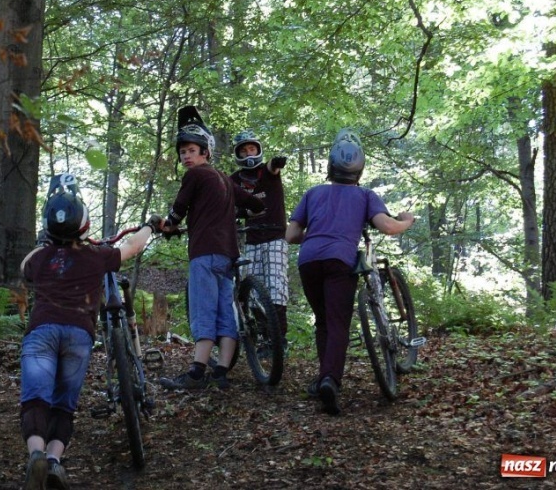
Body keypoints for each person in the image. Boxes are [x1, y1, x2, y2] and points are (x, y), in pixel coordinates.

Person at [19, 173, 160, 490]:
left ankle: (36, 455)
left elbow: (24, 266)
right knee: (64, 404)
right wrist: (150, 224)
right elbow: (134, 246)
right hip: (79, 336)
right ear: (83, 225)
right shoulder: (97, 257)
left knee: (35, 400)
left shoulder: (40, 258)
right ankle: (55, 461)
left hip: (41, 332)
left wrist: (44, 242)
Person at [285, 130, 415, 416]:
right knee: (338, 322)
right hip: (340, 261)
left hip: (308, 261)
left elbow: (291, 234)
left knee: (323, 322)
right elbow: (388, 227)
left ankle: (324, 377)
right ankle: (330, 380)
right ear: (360, 169)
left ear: (330, 167)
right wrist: (406, 220)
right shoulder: (365, 195)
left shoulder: (313, 193)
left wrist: (316, 235)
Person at [154, 106, 264, 391]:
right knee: (225, 313)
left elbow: (178, 210)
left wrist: (169, 225)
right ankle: (221, 372)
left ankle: (196, 373)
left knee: (204, 311)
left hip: (203, 252)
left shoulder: (194, 176)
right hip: (227, 254)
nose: (186, 156)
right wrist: (244, 213)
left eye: (191, 150)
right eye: (182, 153)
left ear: (205, 152)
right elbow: (256, 204)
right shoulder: (225, 180)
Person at [229, 130, 291, 348]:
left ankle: (279, 339)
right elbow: (226, 204)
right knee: (252, 288)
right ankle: (263, 338)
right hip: (251, 238)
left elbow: (273, 166)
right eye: (244, 150)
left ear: (258, 149)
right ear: (237, 153)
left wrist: (278, 161)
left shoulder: (268, 172)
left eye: (252, 149)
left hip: (275, 235)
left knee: (276, 285)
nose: (248, 154)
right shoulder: (234, 180)